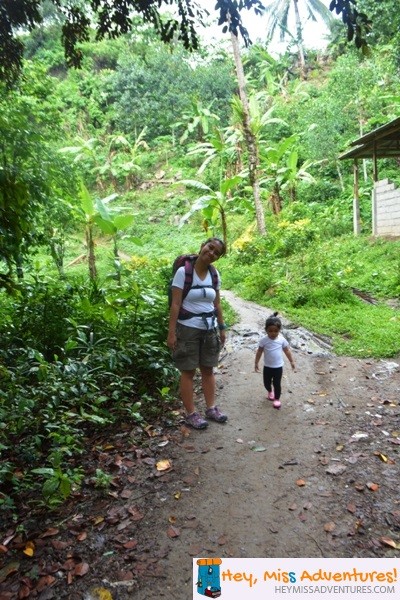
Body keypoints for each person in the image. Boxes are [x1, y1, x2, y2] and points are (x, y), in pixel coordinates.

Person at [167, 237, 228, 430]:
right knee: (188, 371)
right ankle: (191, 413)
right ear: (202, 246)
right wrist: (171, 333)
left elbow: (217, 304)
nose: (211, 253)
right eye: (210, 248)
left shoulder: (214, 274)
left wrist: (222, 327)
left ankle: (211, 408)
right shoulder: (183, 272)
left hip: (209, 328)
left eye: (216, 253)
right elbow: (175, 304)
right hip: (187, 328)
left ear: (217, 258)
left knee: (208, 369)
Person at [254, 312, 295, 409]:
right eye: (270, 331)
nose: (273, 333)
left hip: (278, 367)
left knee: (277, 384)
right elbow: (259, 352)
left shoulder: (281, 340)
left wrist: (291, 361)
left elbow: (287, 351)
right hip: (267, 367)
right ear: (266, 330)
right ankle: (269, 391)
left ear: (279, 330)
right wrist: (256, 362)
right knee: (266, 383)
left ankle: (277, 399)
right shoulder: (264, 340)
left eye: (276, 331)